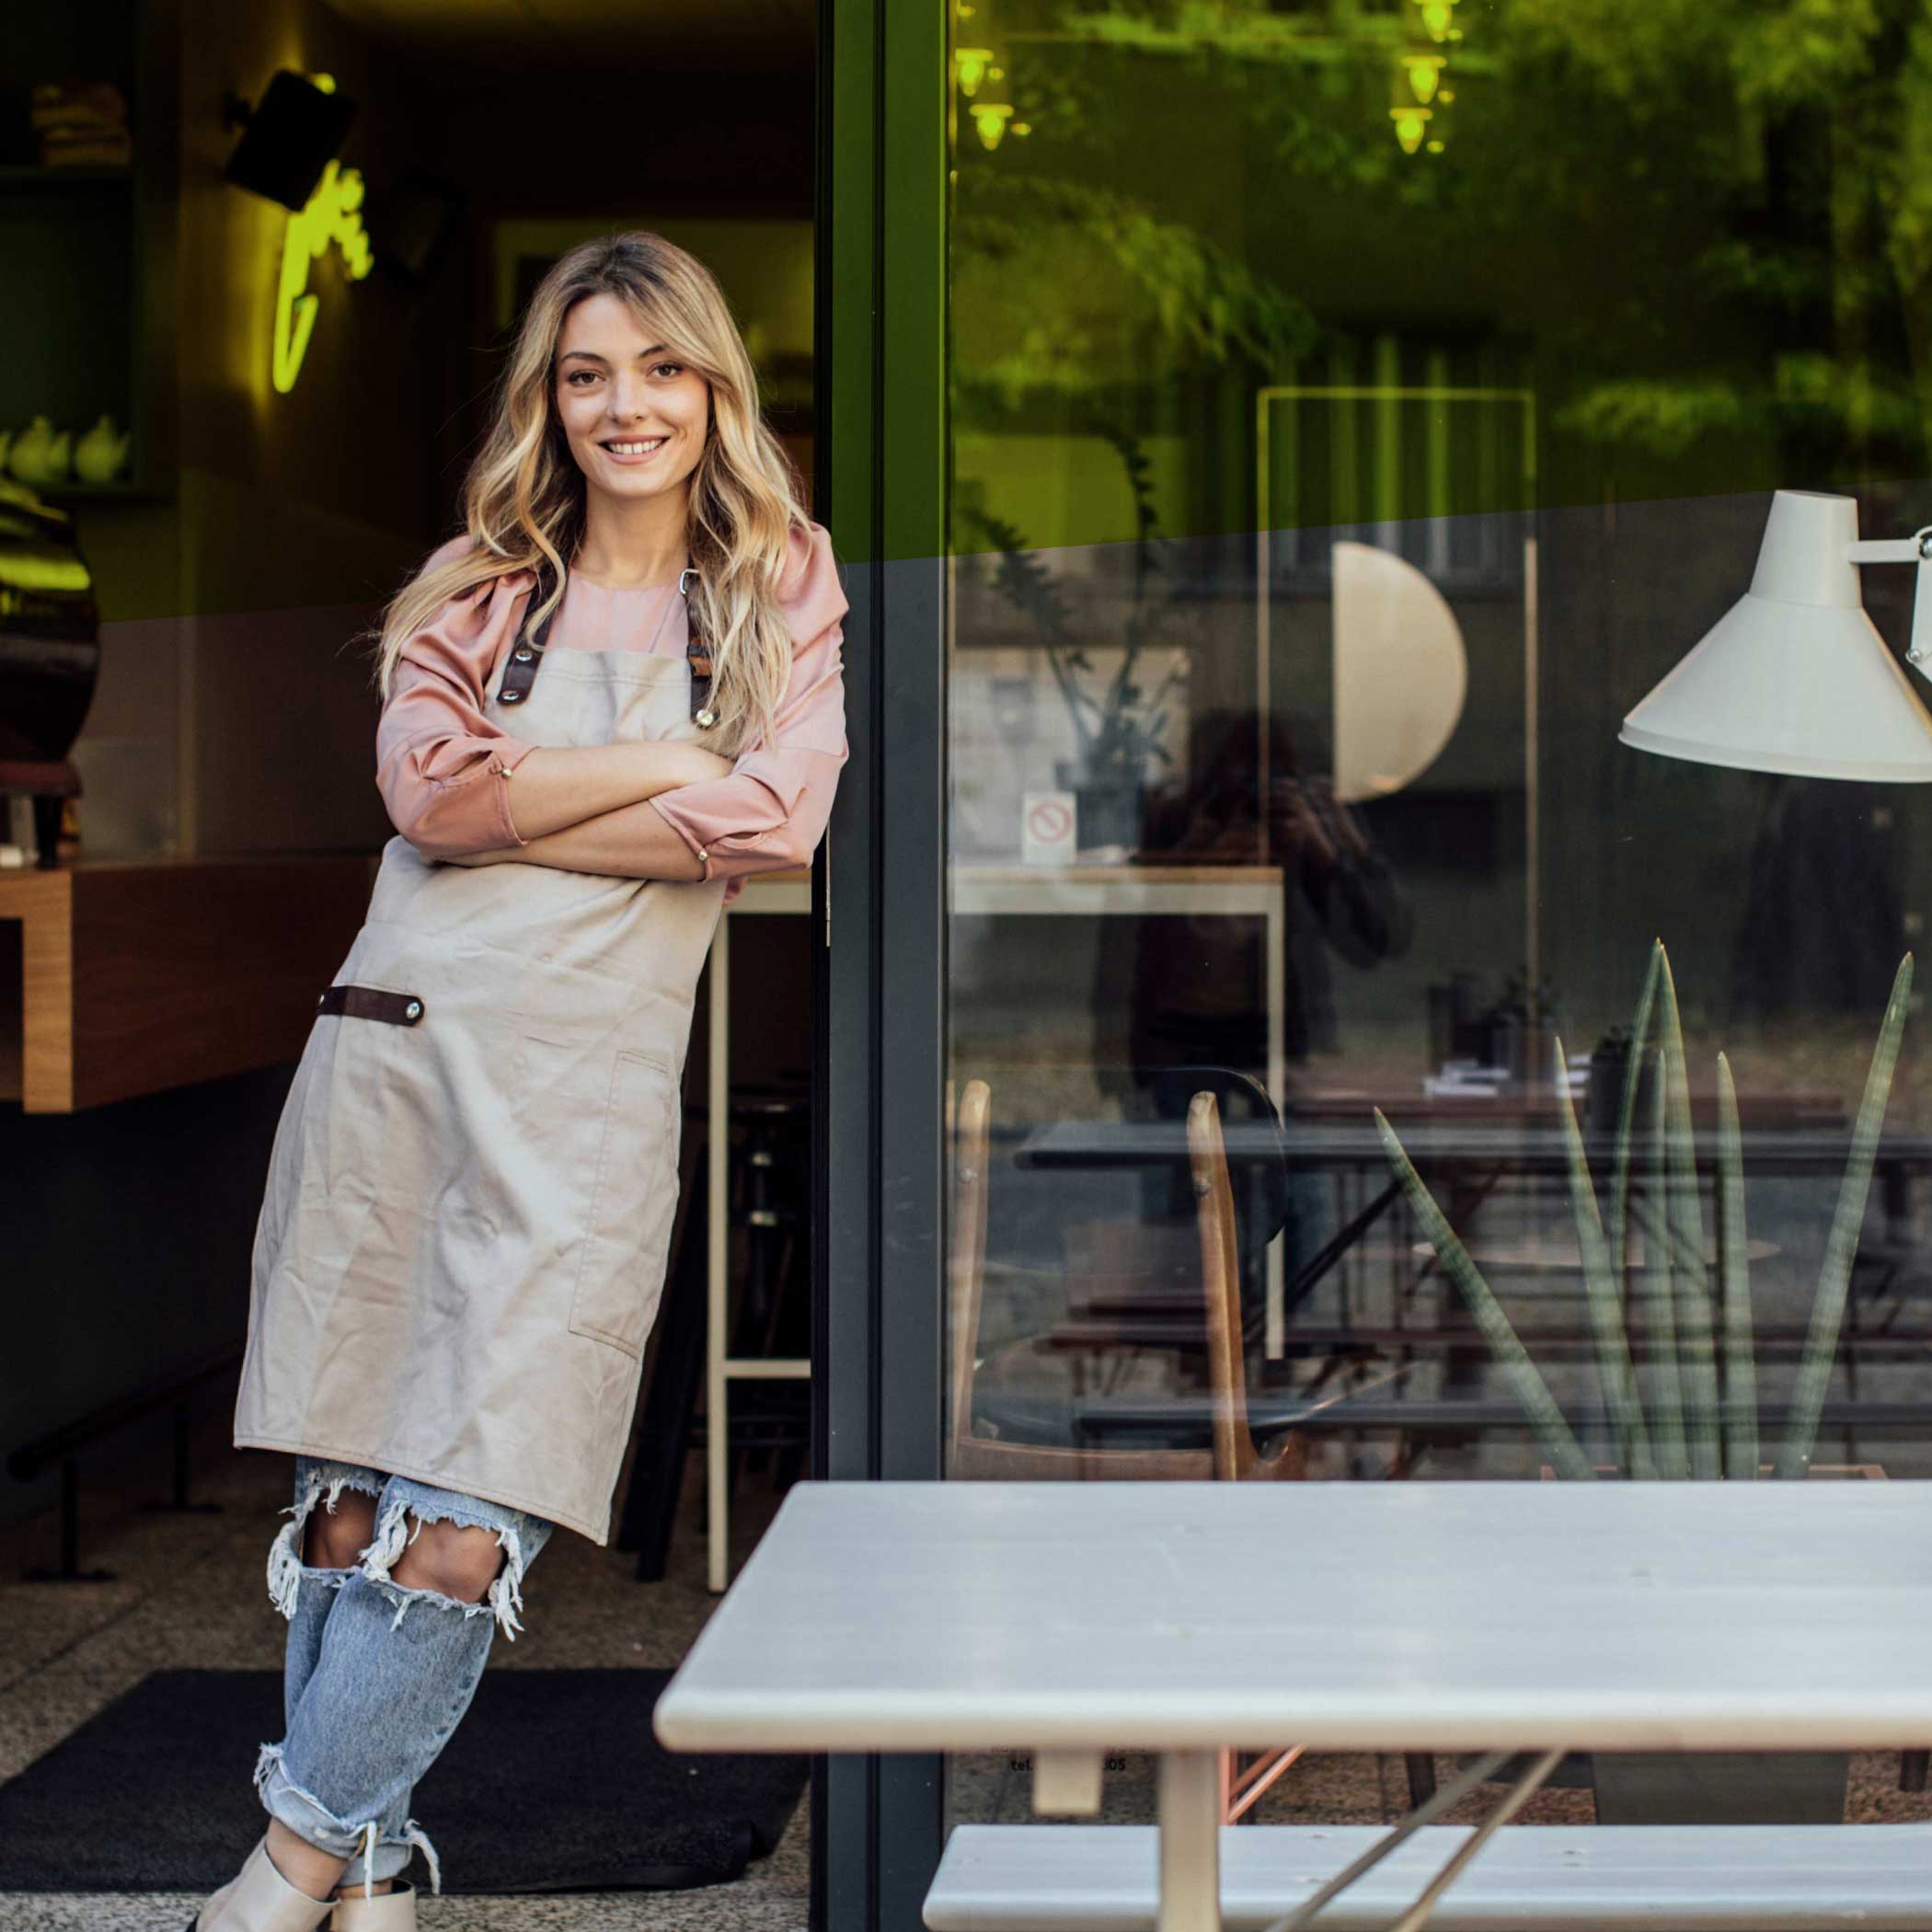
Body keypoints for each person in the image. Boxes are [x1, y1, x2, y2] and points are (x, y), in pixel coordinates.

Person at [191, 232, 850, 1932]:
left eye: (661, 368)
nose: (627, 406)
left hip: (583, 1098)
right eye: (587, 374)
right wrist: (662, 763)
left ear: (713, 387)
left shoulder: (777, 582)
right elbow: (427, 799)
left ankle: (278, 1873)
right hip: (402, 1055)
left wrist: (523, 798)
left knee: (470, 1518)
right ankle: (370, 1872)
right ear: (546, 402)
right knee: (352, 1504)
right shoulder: (475, 586)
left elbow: (777, 820)